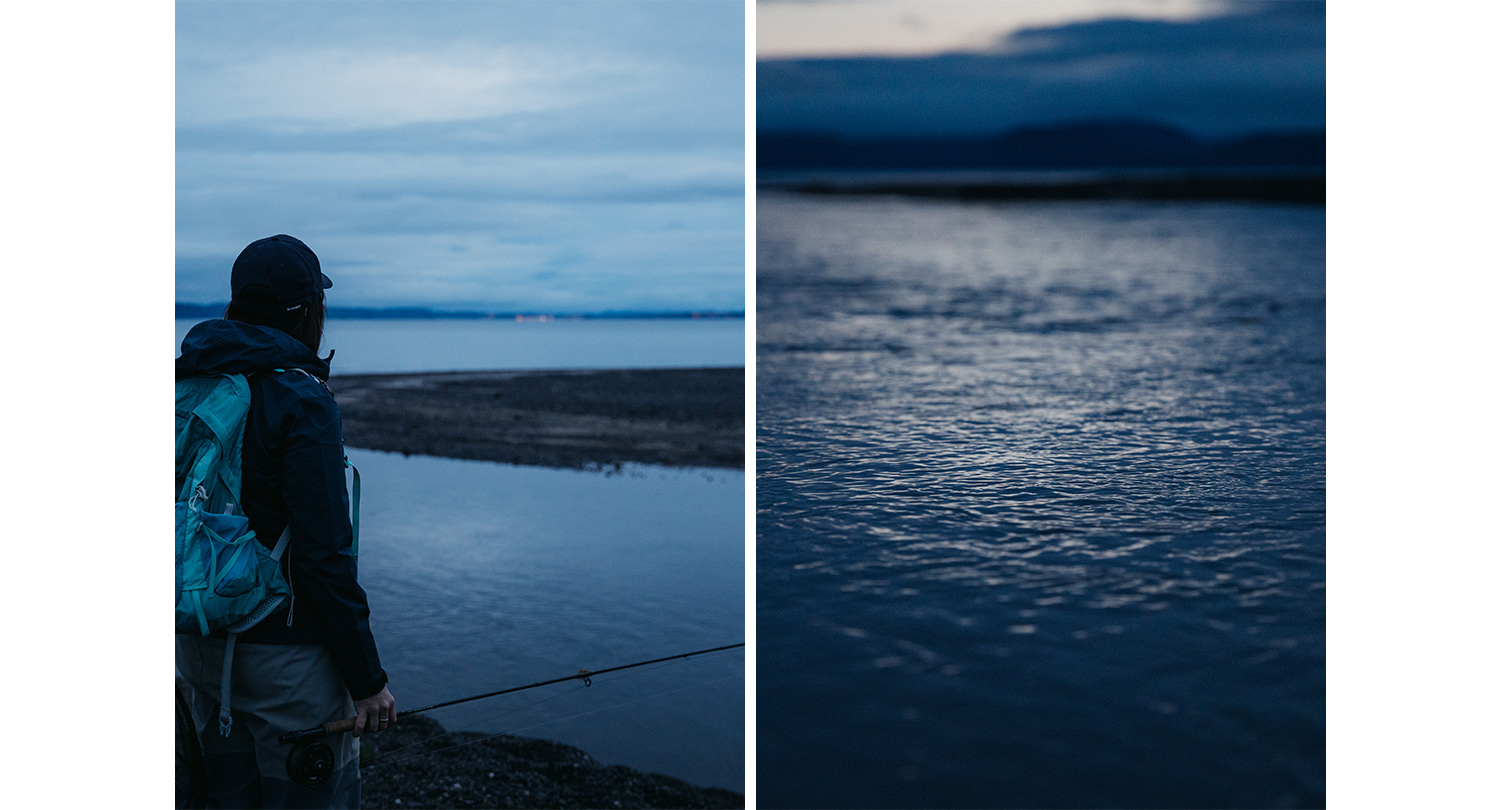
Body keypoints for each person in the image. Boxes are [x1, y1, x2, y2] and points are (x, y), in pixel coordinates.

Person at [176, 234, 396, 808]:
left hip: (198, 643)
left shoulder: (184, 385)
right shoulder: (301, 397)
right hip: (286, 665)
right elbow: (324, 555)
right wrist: (367, 681)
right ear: (307, 313)